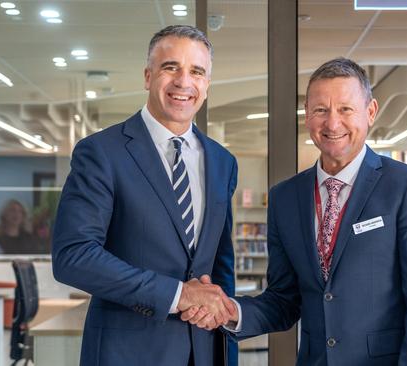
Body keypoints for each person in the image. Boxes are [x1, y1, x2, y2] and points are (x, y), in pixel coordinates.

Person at [183, 57, 407, 365]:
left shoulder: (406, 187)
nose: (332, 123)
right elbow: (284, 299)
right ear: (307, 116)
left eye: (345, 109)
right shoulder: (285, 198)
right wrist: (232, 312)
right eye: (321, 110)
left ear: (371, 112)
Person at [52, 25, 238, 366]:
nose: (184, 82)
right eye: (171, 67)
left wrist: (221, 318)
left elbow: (220, 265)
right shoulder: (102, 152)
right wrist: (178, 295)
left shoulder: (223, 162)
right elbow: (73, 256)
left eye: (197, 71)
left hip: (207, 350)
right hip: (128, 353)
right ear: (148, 76)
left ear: (207, 84)